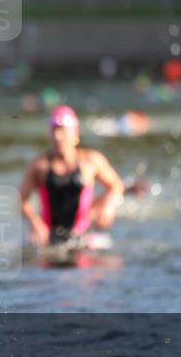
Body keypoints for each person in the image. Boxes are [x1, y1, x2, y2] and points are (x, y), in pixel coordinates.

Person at [20, 105, 125, 264]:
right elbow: (21, 199)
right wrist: (36, 223)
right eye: (54, 130)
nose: (58, 136)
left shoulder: (91, 160)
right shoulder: (39, 165)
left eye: (62, 130)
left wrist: (107, 207)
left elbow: (116, 186)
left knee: (113, 265)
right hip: (48, 239)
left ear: (75, 133)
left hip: (83, 237)